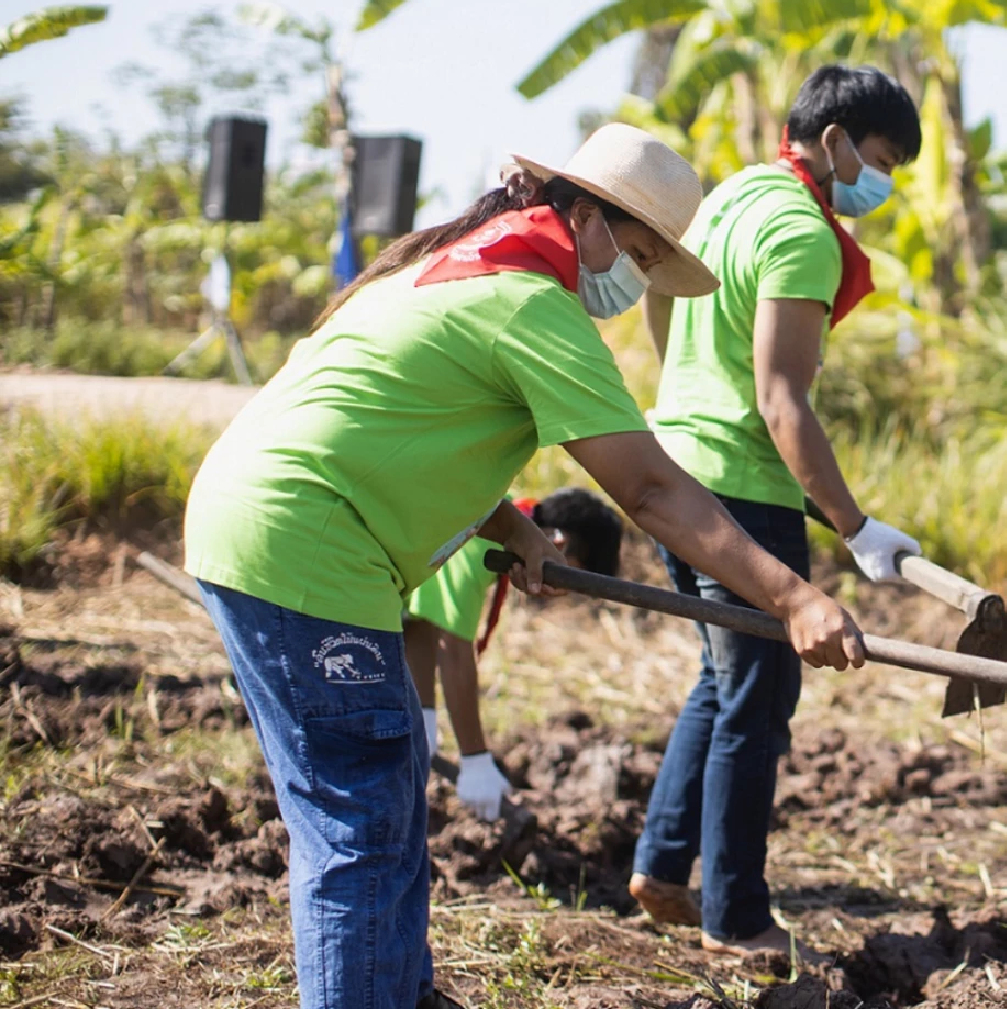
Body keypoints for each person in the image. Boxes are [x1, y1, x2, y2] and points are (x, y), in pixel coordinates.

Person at [182, 123, 867, 1009]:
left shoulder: (463, 263)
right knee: (356, 816)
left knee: (385, 794)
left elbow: (409, 422)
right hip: (301, 541)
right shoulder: (527, 301)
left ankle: (399, 991)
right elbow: (651, 489)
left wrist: (514, 528)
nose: (635, 279)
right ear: (584, 216)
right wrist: (792, 596)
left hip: (275, 521)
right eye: (639, 251)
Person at [628, 65, 923, 959]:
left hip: (675, 465)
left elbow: (658, 296)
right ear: (832, 141)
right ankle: (738, 917)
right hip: (743, 490)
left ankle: (663, 863)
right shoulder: (803, 230)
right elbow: (782, 400)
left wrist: (685, 393)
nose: (879, 184)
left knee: (724, 681)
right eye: (876, 159)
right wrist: (856, 525)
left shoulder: (731, 200)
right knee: (760, 697)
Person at [404, 488, 625, 820]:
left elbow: (421, 619)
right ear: (559, 545)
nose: (561, 596)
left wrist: (422, 714)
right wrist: (475, 759)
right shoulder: (480, 539)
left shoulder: (497, 516)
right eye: (573, 581)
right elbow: (453, 652)